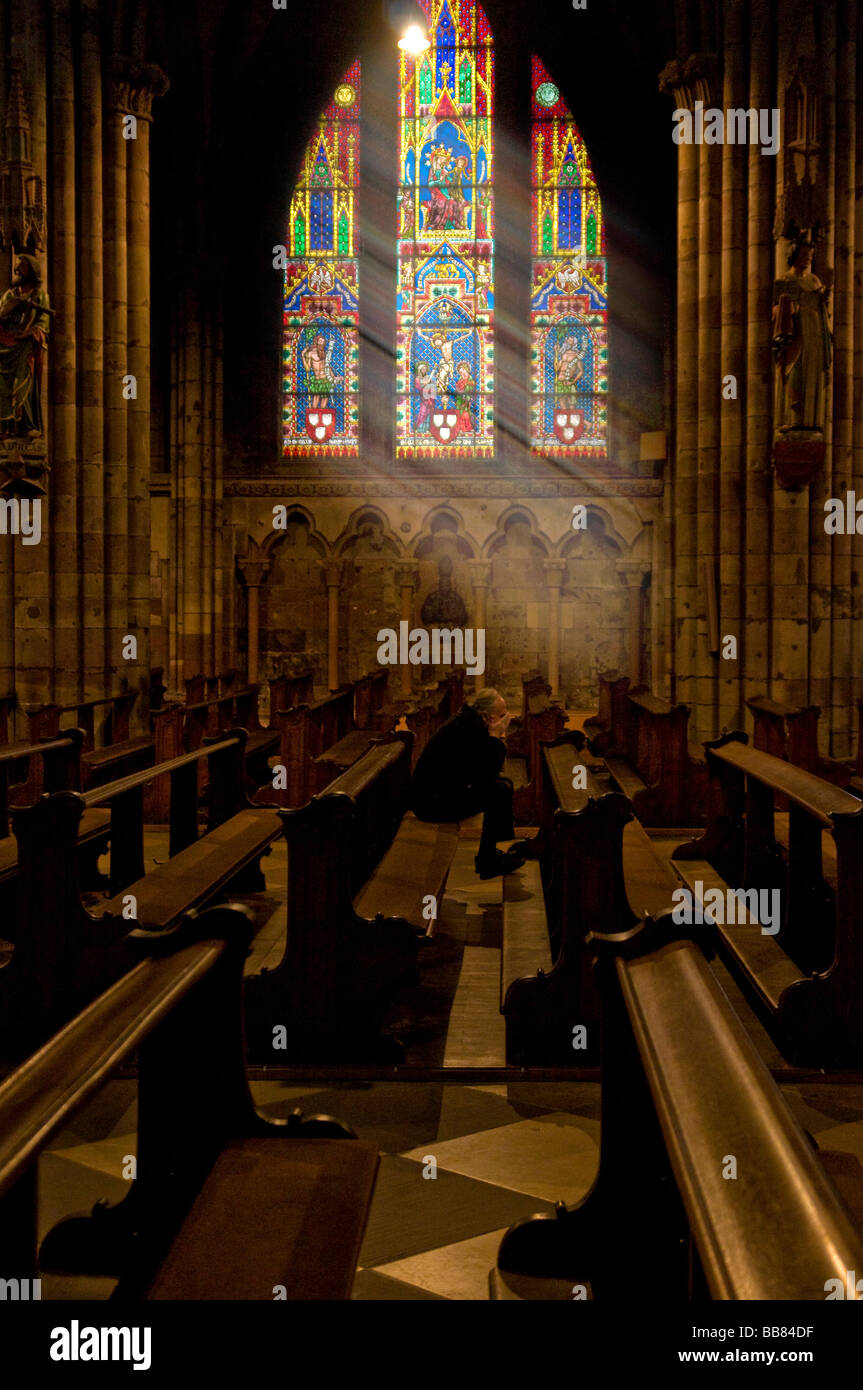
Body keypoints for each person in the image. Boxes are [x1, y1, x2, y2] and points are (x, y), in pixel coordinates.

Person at [410, 687, 533, 879]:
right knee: (499, 790)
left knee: (503, 785)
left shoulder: (470, 723)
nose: (507, 719)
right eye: (502, 715)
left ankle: (491, 853)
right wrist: (496, 737)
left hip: (442, 795)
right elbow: (485, 776)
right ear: (488, 717)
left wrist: (495, 739)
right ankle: (487, 860)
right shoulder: (465, 730)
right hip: (431, 804)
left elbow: (483, 773)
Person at [0, 253, 51, 437]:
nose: (16, 271)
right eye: (16, 267)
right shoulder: (9, 295)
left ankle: (27, 424)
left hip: (25, 345)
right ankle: (5, 426)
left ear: (31, 270)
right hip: (5, 344)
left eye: (21, 267)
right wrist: (10, 308)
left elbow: (43, 323)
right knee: (2, 385)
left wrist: (30, 333)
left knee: (24, 382)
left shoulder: (40, 296)